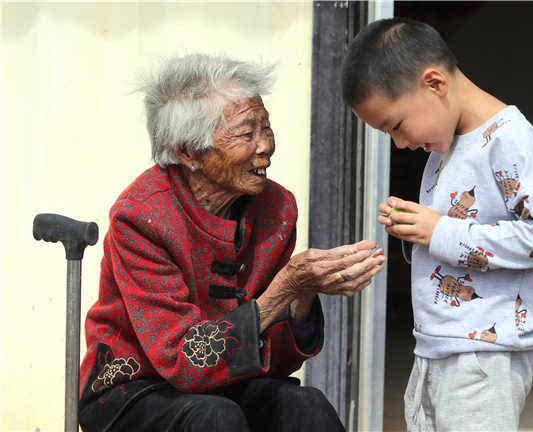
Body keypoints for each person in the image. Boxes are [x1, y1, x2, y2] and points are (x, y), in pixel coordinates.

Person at [78, 53, 386, 432]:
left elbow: (277, 359)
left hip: (226, 383)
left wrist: (302, 294)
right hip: (137, 390)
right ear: (188, 151)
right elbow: (183, 361)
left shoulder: (276, 208)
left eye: (266, 128)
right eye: (245, 134)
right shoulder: (141, 217)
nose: (265, 146)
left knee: (304, 404)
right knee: (214, 417)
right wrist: (284, 286)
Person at [341, 18, 533, 432]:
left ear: (434, 84)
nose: (399, 143)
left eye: (395, 125)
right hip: (439, 346)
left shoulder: (510, 140)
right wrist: (417, 229)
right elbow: (460, 230)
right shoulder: (448, 144)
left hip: (484, 356)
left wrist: (439, 231)